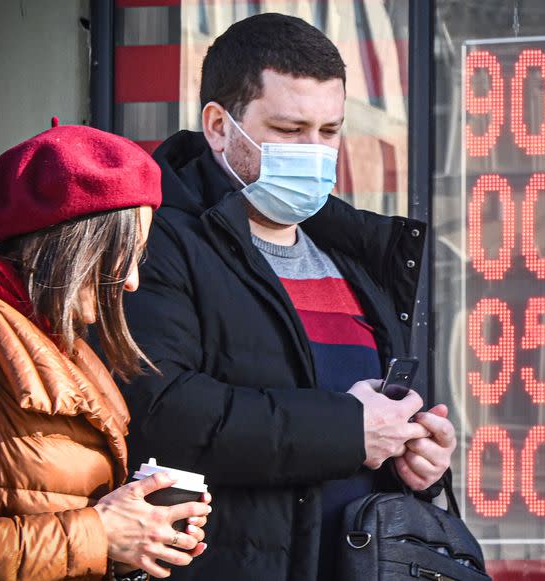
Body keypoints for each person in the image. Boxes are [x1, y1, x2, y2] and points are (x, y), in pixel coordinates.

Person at [118, 13, 456, 581]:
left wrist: (415, 460)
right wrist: (350, 430)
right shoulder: (158, 241)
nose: (315, 152)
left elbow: (367, 426)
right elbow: (160, 412)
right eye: (290, 129)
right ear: (220, 127)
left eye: (329, 132)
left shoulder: (355, 255)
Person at [0, 122, 212, 581]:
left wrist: (134, 535)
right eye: (125, 254)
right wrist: (101, 532)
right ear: (74, 246)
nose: (132, 282)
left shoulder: (57, 340)